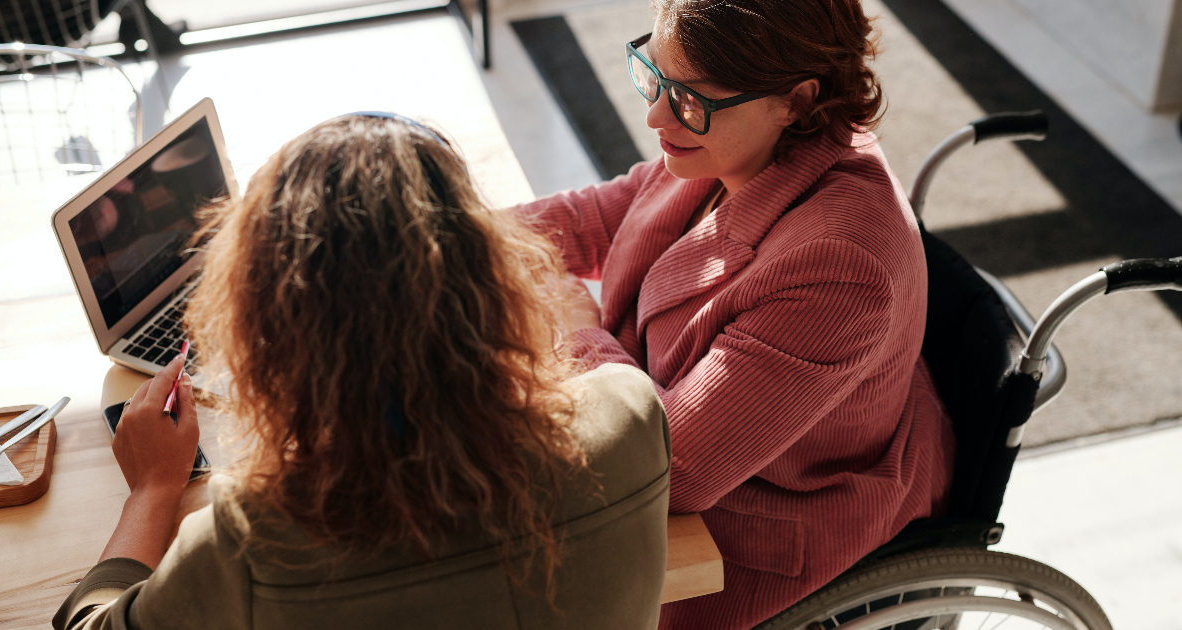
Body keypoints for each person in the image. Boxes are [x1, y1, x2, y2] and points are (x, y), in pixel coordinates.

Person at [54, 114, 672, 630]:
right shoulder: (632, 415)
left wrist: (154, 489)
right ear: (494, 277)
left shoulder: (253, 540)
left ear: (269, 331)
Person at [514, 1, 955, 628]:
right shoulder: (733, 142)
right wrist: (444, 232)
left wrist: (573, 324)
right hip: (684, 439)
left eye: (689, 99)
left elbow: (677, 467)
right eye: (653, 76)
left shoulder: (839, 264)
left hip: (751, 532)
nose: (654, 114)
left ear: (798, 99)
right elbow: (603, 214)